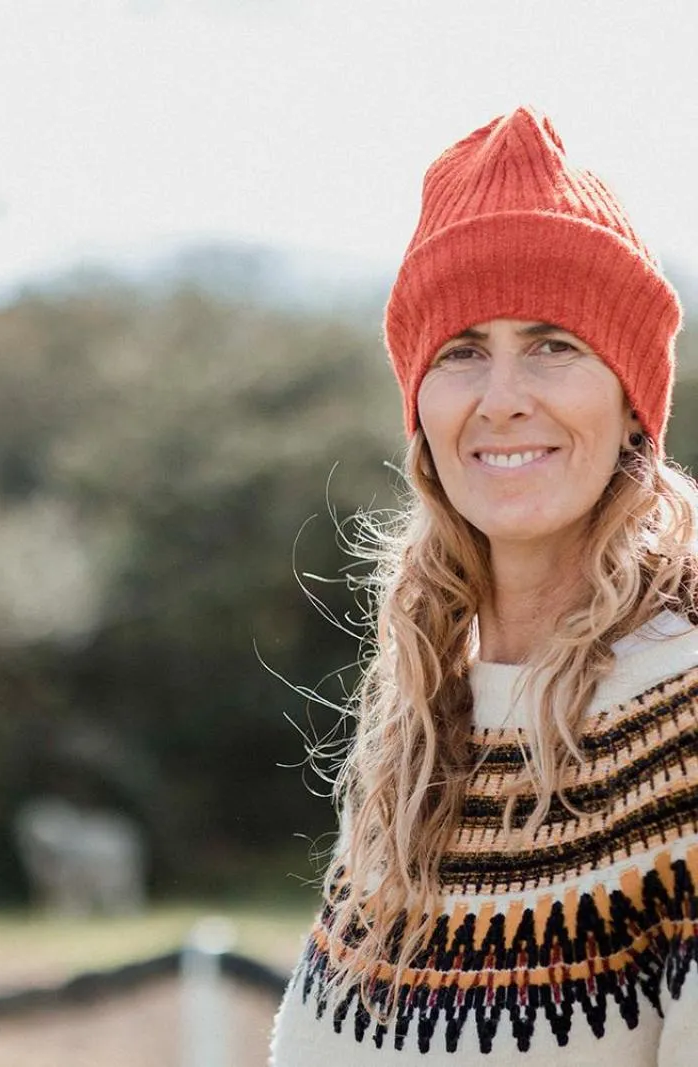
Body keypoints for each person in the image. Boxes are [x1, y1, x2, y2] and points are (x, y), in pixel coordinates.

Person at [270, 108, 698, 1063]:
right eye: (462, 349)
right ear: (420, 404)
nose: (502, 394)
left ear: (634, 402)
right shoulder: (416, 726)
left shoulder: (686, 719)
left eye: (554, 343)